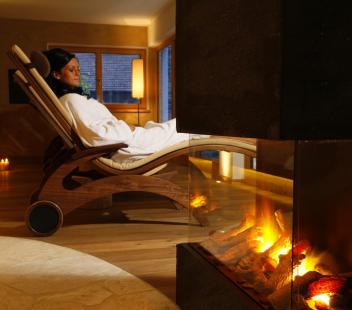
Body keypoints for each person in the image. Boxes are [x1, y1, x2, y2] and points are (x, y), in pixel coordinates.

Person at [43, 48, 191, 161]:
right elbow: (96, 135)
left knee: (177, 126)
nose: (77, 74)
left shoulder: (72, 99)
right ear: (56, 75)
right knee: (184, 127)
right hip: (127, 145)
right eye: (71, 69)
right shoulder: (71, 100)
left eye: (78, 69)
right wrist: (126, 128)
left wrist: (126, 128)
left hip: (127, 140)